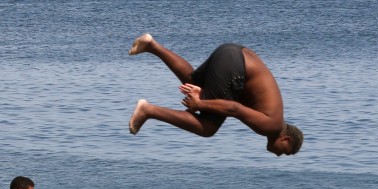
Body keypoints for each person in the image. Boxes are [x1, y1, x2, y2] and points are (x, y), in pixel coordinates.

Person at [127, 34, 304, 156]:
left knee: (192, 82)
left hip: (232, 52)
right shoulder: (271, 126)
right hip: (237, 69)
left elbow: (239, 98)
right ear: (286, 138)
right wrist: (200, 105)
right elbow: (234, 108)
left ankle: (151, 45)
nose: (280, 154)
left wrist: (204, 93)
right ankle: (148, 110)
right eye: (285, 151)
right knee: (208, 127)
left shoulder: (274, 116)